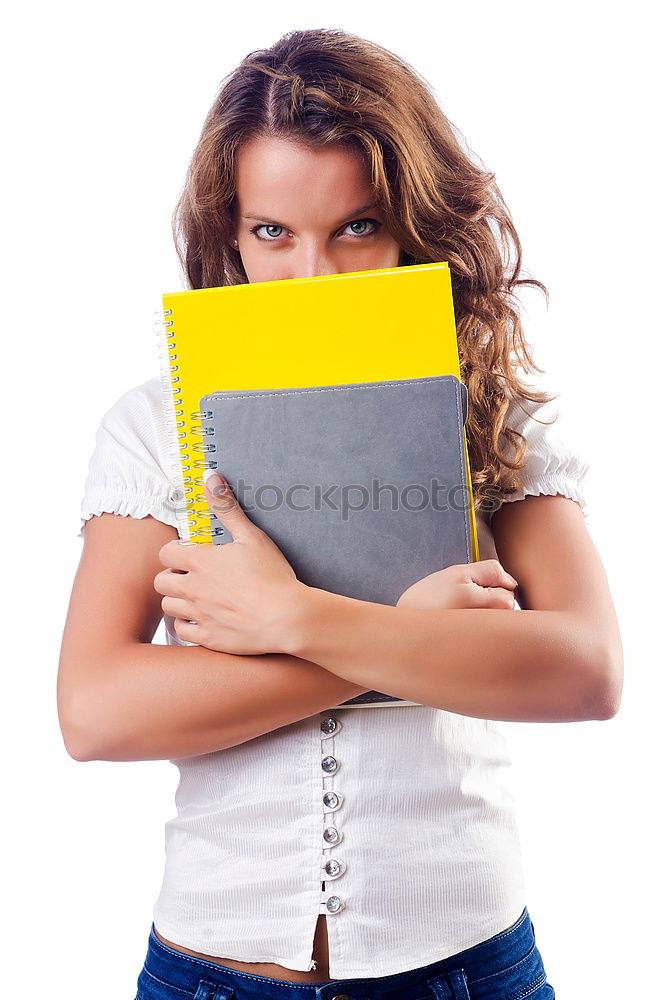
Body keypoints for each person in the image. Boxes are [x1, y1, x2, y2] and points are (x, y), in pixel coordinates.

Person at [58, 27, 623, 1000]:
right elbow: (95, 710)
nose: (310, 276)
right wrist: (405, 638)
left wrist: (291, 620)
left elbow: (585, 671)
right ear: (229, 235)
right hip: (211, 970)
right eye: (273, 231)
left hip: (462, 965)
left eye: (354, 229)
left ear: (410, 226)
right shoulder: (155, 422)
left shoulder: (494, 406)